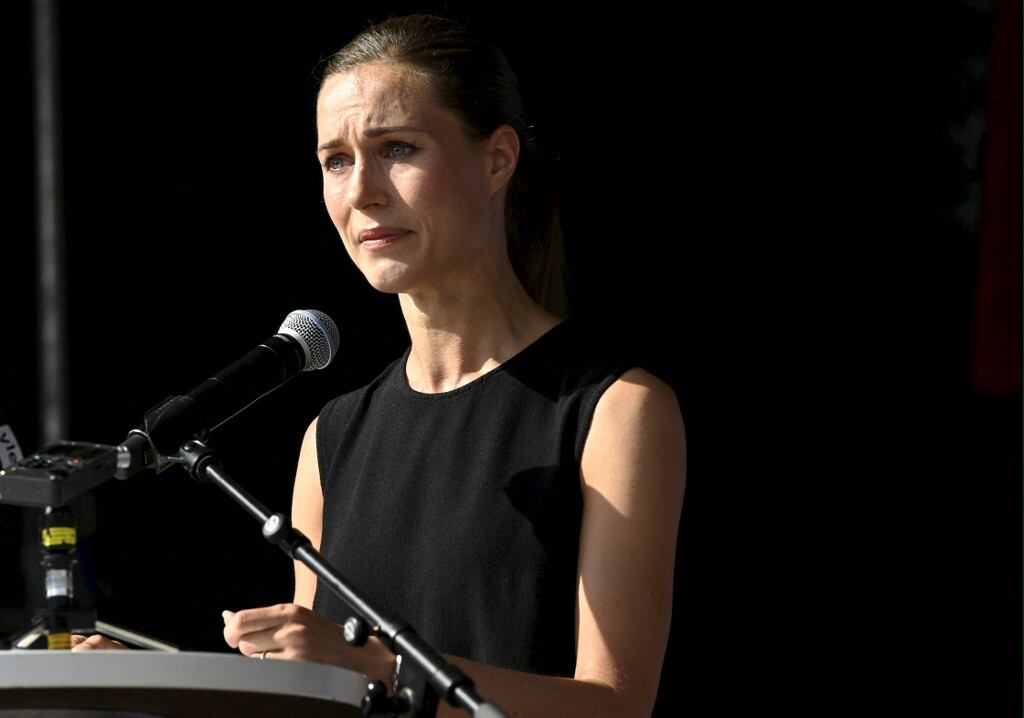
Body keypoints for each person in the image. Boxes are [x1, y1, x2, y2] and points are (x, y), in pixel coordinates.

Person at [78, 13, 686, 718]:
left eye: (397, 147)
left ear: (497, 160)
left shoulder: (615, 410)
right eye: (336, 160)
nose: (362, 189)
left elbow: (615, 705)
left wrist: (382, 666)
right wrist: (162, 690)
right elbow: (313, 700)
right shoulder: (330, 437)